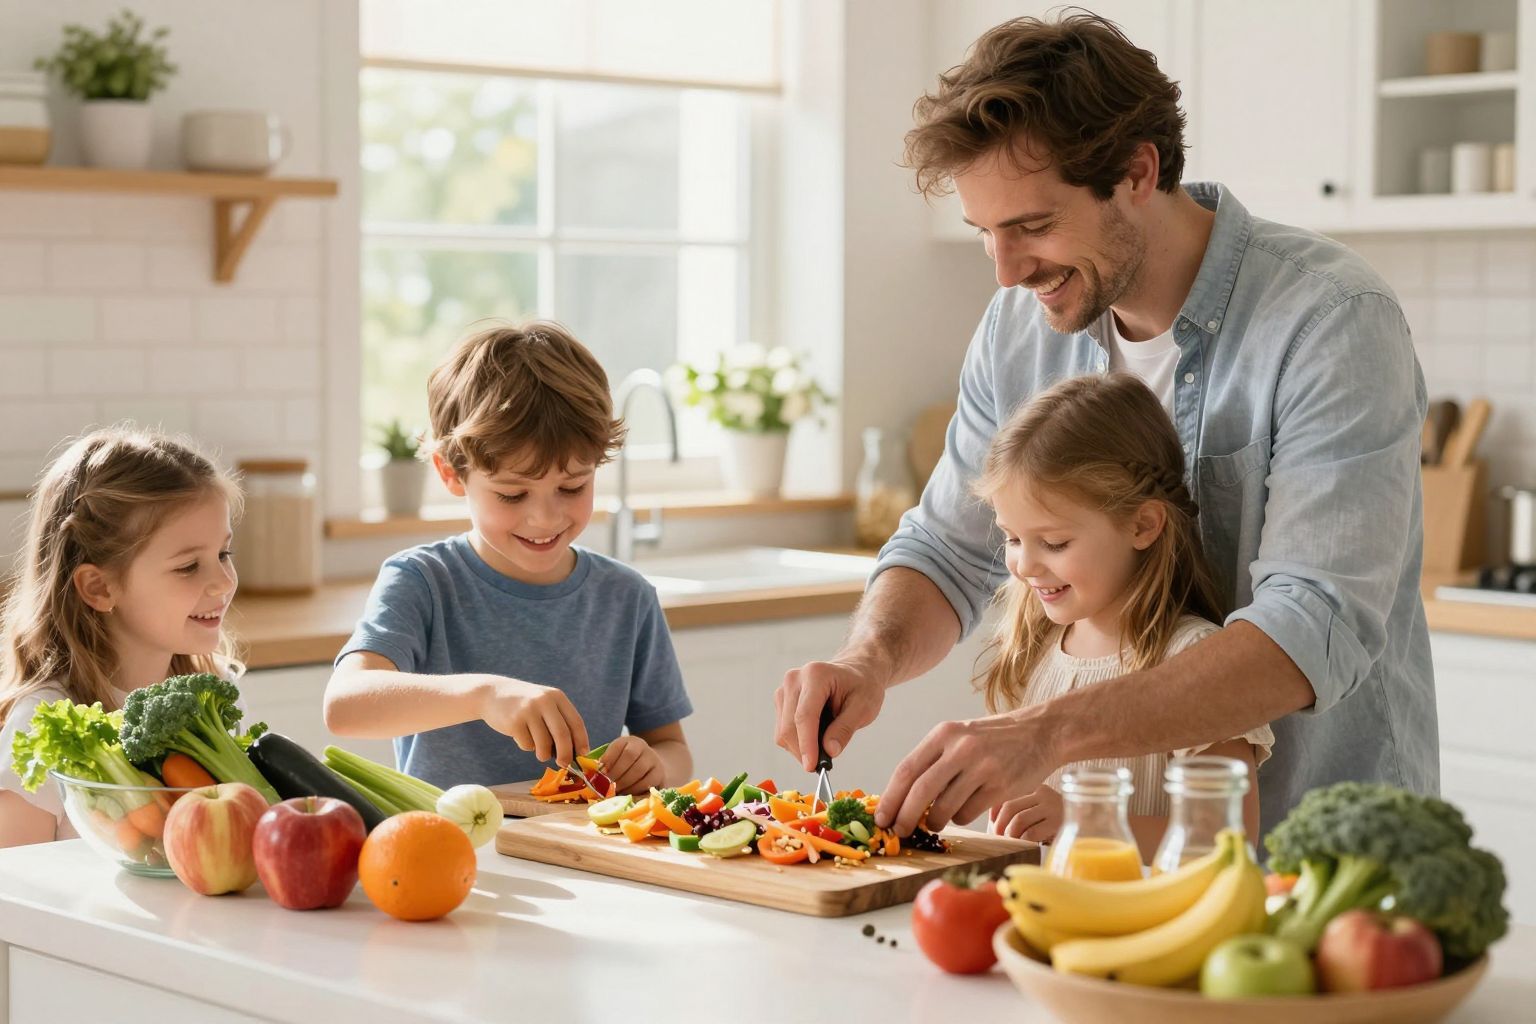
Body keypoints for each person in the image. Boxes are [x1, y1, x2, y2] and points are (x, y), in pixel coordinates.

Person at [775, 12, 1434, 840]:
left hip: (1322, 859)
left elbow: (1310, 628)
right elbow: (948, 548)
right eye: (986, 233)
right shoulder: (1020, 328)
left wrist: (1043, 734)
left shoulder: (1329, 319)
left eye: (1033, 226)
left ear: (1136, 170)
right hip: (1108, 876)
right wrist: (865, 661)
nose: (1008, 271)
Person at [324, 321, 694, 793]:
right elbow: (345, 705)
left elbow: (674, 750)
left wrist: (654, 766)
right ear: (451, 474)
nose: (544, 518)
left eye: (572, 486)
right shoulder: (422, 582)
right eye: (513, 494)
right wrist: (484, 695)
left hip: (580, 855)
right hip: (451, 853)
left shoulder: (628, 598)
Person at [974, 374, 1271, 857]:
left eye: (1054, 542)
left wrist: (1082, 819)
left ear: (1143, 524)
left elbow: (1229, 842)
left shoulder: (1196, 662)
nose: (1024, 565)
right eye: (1011, 537)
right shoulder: (1036, 645)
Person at [0, 428, 243, 847]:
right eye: (188, 566)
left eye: (223, 554)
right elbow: (14, 888)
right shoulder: (43, 722)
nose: (223, 582)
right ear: (99, 588)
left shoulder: (214, 694)